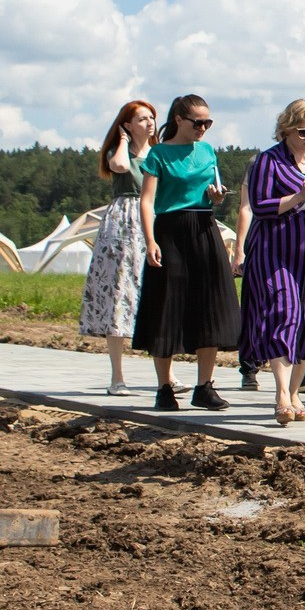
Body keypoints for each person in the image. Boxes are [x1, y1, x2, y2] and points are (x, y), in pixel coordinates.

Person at [132, 94, 240, 411]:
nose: (203, 128)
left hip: (205, 227)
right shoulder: (159, 154)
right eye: (198, 122)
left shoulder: (207, 151)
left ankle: (204, 386)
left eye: (208, 123)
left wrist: (217, 198)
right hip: (170, 230)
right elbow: (147, 201)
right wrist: (150, 240)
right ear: (179, 119)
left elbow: (212, 192)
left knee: (211, 305)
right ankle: (164, 387)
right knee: (167, 305)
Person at [236, 99, 305, 424]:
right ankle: (281, 393)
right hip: (276, 250)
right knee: (284, 314)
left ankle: (295, 392)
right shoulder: (268, 160)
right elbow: (261, 205)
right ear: (287, 129)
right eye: (304, 131)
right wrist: (298, 196)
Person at [80, 100, 156, 394]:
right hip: (125, 220)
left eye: (151, 118)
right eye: (141, 119)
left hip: (152, 217)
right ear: (127, 125)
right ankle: (117, 377)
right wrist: (124, 140)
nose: (149, 123)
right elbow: (121, 166)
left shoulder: (157, 154)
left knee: (153, 293)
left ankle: (167, 374)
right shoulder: (119, 153)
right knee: (119, 292)